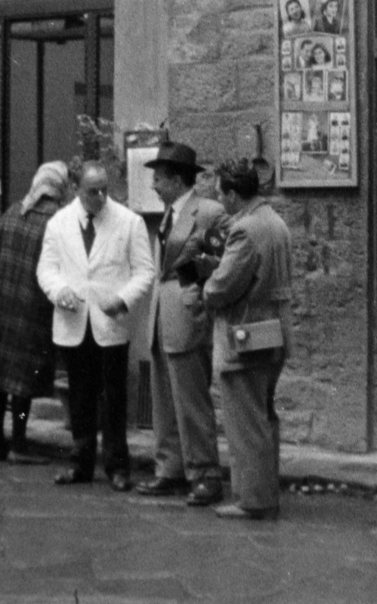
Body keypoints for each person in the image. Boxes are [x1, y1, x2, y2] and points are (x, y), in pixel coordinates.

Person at [36, 161, 154, 490]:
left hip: (111, 323)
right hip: (74, 323)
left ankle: (117, 466)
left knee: (114, 396)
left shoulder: (129, 222)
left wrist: (123, 298)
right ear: (76, 189)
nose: (100, 196)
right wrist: (60, 292)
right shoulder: (58, 223)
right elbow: (46, 269)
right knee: (80, 396)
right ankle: (80, 463)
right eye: (92, 191)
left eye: (105, 189)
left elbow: (145, 271)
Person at [134, 143, 231, 506]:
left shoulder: (208, 213)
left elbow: (224, 259)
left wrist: (196, 284)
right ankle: (170, 468)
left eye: (158, 179)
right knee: (163, 399)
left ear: (177, 180)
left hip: (188, 313)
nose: (155, 186)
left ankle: (205, 473)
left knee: (191, 400)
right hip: (162, 314)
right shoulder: (169, 214)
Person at [202, 158, 294, 520]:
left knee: (246, 421)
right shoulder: (275, 222)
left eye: (222, 194)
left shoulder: (245, 230)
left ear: (234, 194)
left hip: (245, 333)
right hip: (275, 331)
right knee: (264, 416)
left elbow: (223, 287)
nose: (221, 202)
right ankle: (263, 492)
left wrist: (208, 284)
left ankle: (254, 500)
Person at [0, 161, 70, 464]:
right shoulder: (56, 220)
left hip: (4, 308)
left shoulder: (13, 212)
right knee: (22, 382)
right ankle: (18, 442)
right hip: (34, 310)